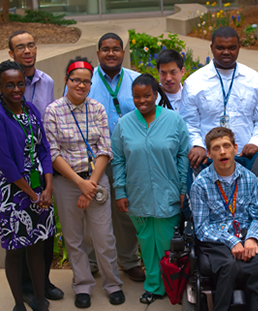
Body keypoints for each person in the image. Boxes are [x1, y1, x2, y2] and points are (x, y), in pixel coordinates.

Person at [44, 57, 125, 309]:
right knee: (74, 238)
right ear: (66, 80)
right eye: (75, 80)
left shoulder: (98, 109)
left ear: (91, 84)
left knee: (104, 237)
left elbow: (105, 149)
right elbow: (53, 153)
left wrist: (90, 184)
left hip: (96, 179)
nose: (81, 85)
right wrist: (80, 184)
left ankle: (113, 284)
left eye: (86, 81)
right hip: (68, 183)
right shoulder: (53, 111)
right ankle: (82, 286)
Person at [0, 30, 63, 303]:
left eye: (31, 44)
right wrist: (32, 192)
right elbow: (3, 155)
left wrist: (47, 184)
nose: (16, 89)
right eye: (20, 47)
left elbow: (44, 142)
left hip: (38, 182)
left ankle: (41, 289)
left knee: (42, 241)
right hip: (14, 188)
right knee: (17, 244)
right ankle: (22, 297)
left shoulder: (39, 96)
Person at [111, 73, 189, 304]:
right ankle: (153, 286)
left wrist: (183, 187)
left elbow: (183, 156)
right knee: (146, 243)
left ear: (156, 94)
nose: (142, 100)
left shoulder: (174, 120)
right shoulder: (124, 124)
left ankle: (172, 284)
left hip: (168, 193)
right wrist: (120, 191)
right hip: (138, 194)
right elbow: (118, 160)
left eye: (147, 95)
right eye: (137, 96)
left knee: (167, 244)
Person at [190, 127, 258, 311]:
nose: (223, 151)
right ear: (209, 154)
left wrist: (251, 238)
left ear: (235, 148)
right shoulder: (200, 185)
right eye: (216, 148)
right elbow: (201, 227)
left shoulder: (249, 179)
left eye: (226, 146)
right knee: (228, 265)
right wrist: (232, 241)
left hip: (246, 234)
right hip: (216, 240)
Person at [87, 32, 144, 282]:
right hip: (94, 159)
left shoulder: (135, 80)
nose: (111, 53)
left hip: (127, 160)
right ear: (98, 52)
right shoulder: (86, 81)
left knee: (124, 211)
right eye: (106, 49)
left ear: (123, 52)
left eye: (116, 49)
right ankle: (90, 262)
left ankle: (129, 261)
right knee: (92, 211)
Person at [182, 26, 258, 167]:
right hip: (207, 159)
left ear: (239, 48)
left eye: (232, 48)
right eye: (220, 48)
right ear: (211, 48)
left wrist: (256, 142)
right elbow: (188, 122)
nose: (226, 52)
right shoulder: (194, 82)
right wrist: (196, 145)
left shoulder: (254, 80)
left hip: (245, 157)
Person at [156, 49, 185, 116]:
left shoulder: (190, 96)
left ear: (182, 71)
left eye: (173, 72)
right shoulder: (152, 100)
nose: (168, 78)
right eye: (163, 73)